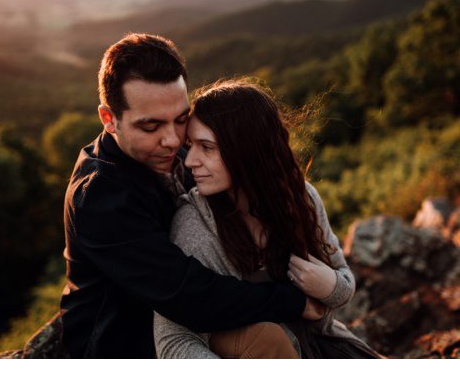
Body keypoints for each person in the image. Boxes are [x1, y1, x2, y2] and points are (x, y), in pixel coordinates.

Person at [59, 33, 327, 359]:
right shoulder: (101, 197)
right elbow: (188, 293)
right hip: (124, 345)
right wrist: (294, 301)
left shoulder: (185, 152)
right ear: (109, 119)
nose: (173, 141)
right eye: (150, 126)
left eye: (180, 119)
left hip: (195, 326)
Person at [154, 78, 382, 358]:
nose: (189, 161)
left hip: (321, 346)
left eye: (207, 147)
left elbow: (343, 283)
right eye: (191, 145)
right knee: (265, 335)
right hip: (257, 354)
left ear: (247, 150)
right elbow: (173, 339)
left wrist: (331, 285)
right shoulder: (195, 225)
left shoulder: (302, 198)